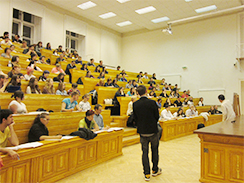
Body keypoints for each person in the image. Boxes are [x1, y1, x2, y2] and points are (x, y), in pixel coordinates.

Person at [133, 85, 162, 181]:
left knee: (144, 153)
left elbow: (135, 118)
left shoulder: (135, 104)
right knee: (155, 150)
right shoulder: (152, 102)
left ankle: (147, 174)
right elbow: (157, 116)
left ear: (137, 93)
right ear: (146, 91)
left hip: (142, 132)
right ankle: (155, 170)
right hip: (153, 131)